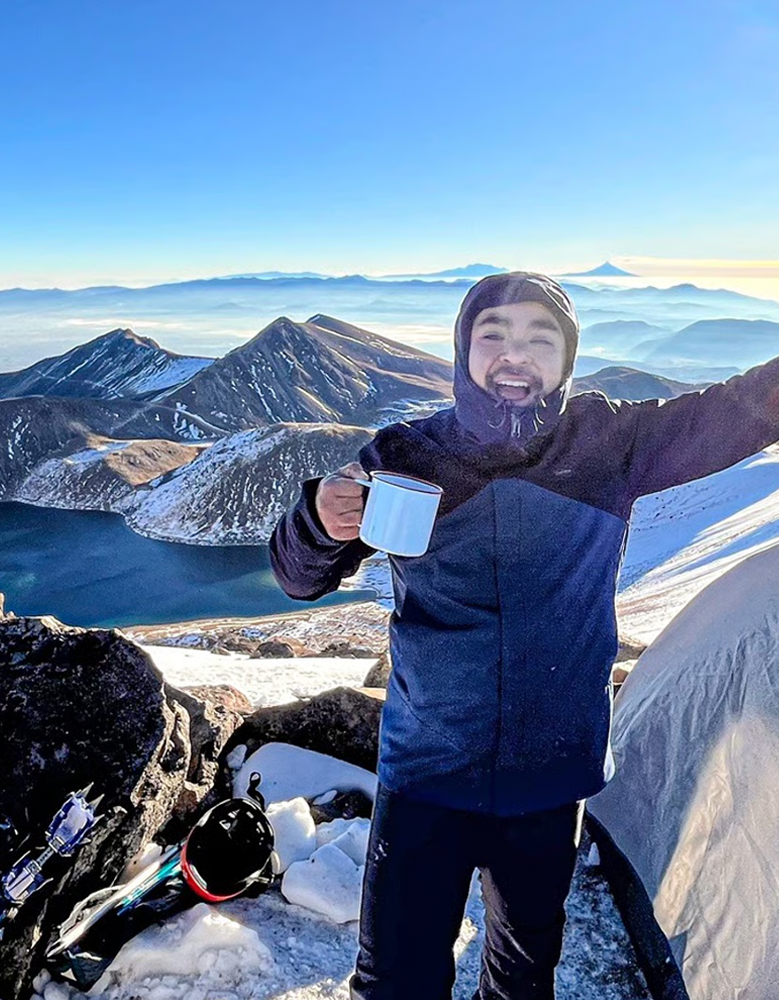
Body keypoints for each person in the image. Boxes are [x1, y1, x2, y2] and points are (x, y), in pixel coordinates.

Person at [268, 271, 779, 1000]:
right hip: (428, 771)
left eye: (542, 339)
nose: (517, 354)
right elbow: (299, 577)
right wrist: (318, 520)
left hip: (552, 774)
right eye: (494, 335)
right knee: (393, 982)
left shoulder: (610, 444)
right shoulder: (404, 456)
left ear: (566, 360)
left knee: (521, 973)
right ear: (464, 350)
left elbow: (738, 412)